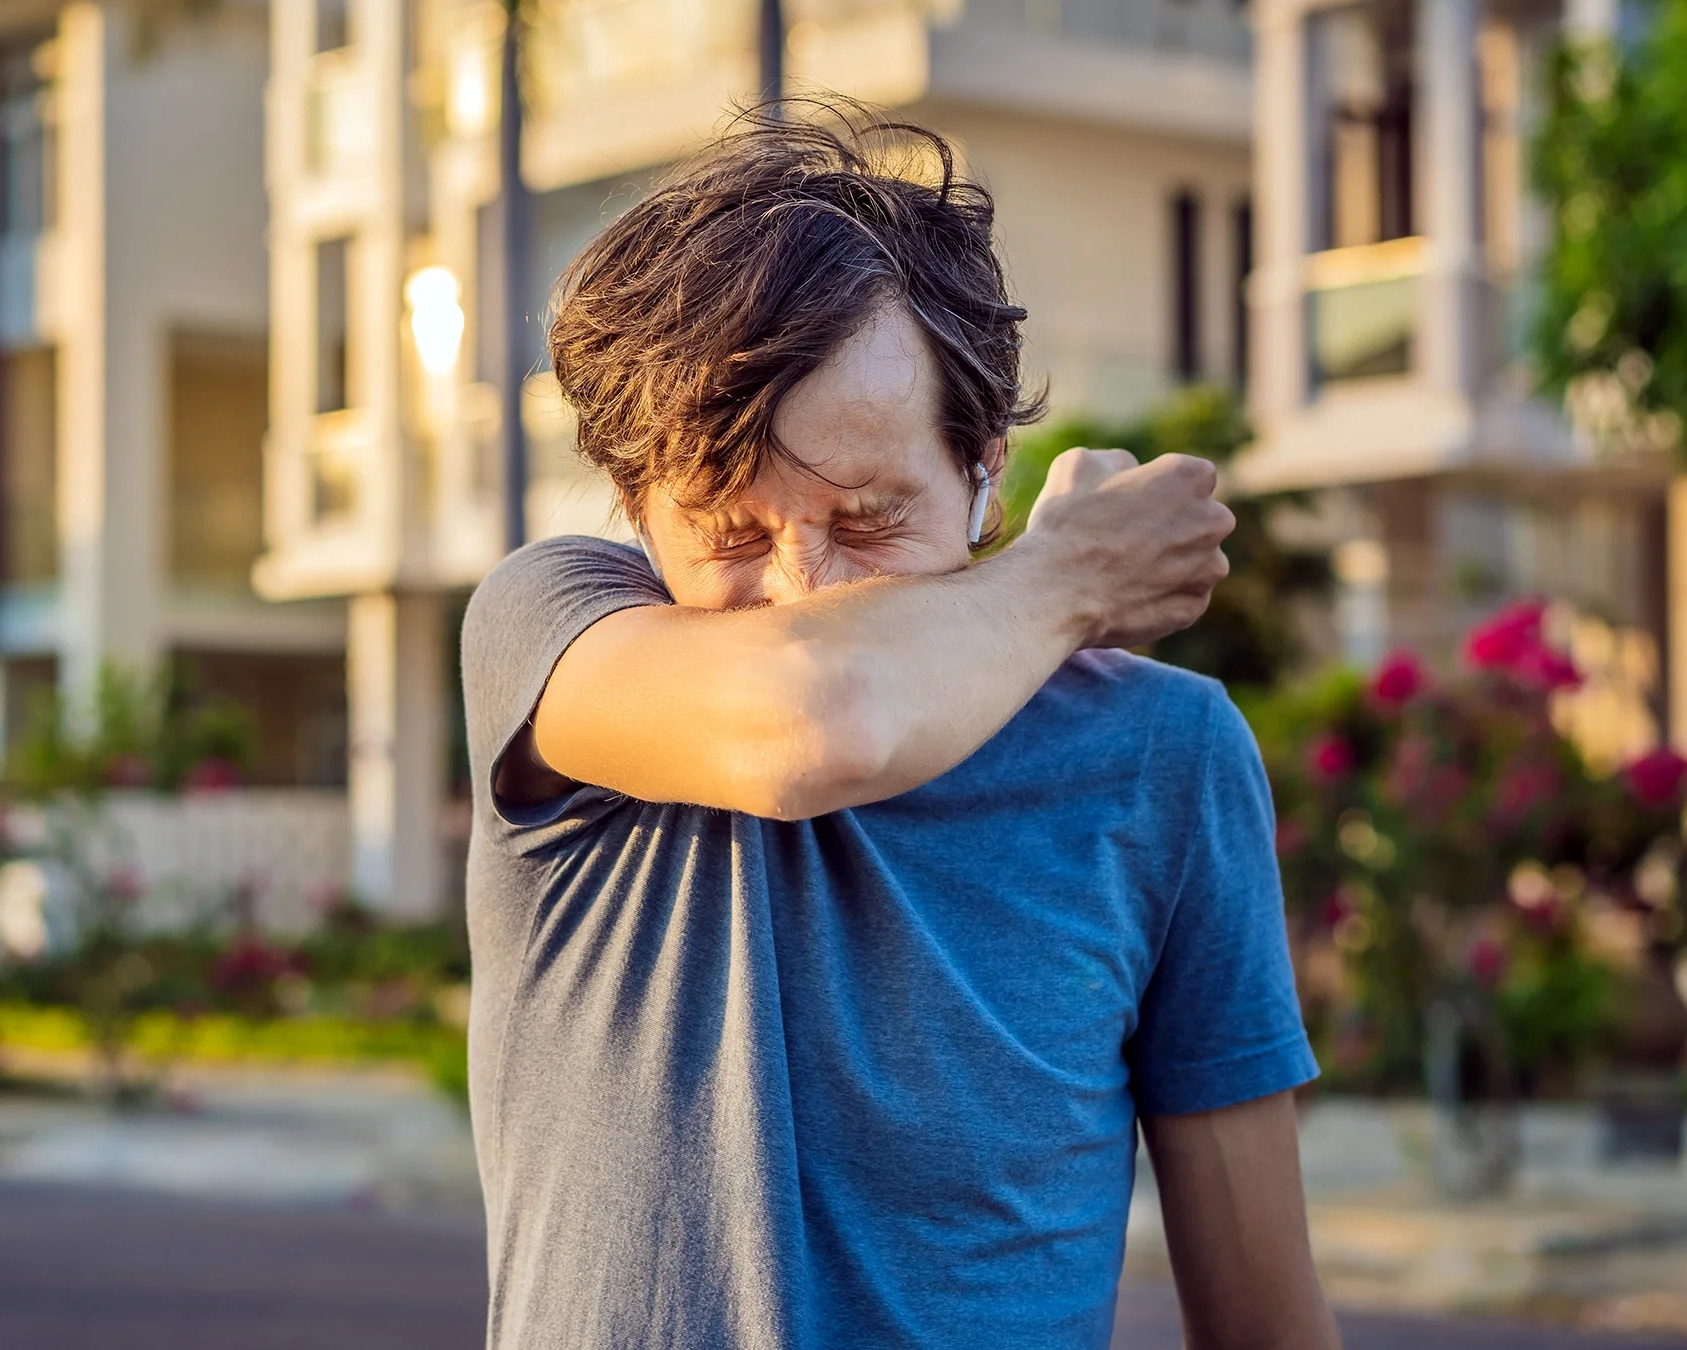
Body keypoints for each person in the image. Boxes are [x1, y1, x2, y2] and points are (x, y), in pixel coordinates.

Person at [459, 107, 1338, 1350]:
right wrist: (1066, 576)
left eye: (870, 519)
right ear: (635, 513)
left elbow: (1265, 1317)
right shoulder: (554, 634)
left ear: (984, 467)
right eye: (730, 533)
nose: (806, 584)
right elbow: (822, 721)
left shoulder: (1164, 756)